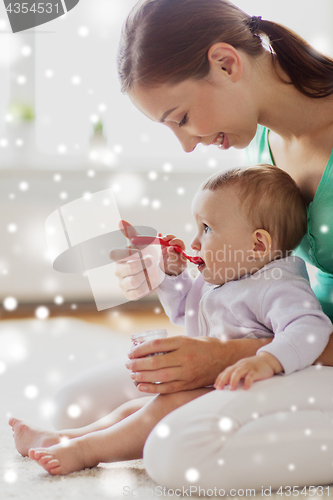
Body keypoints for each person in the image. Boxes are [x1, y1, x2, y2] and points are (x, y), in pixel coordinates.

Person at [49, 0, 333, 490]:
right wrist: (170, 273)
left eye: (180, 117)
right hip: (287, 339)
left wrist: (226, 356)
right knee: (76, 406)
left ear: (227, 63)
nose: (186, 144)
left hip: (306, 346)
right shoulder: (258, 143)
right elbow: (248, 269)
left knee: (179, 453)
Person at [9, 165, 332, 477]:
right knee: (133, 410)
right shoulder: (229, 276)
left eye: (206, 229)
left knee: (158, 411)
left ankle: (86, 452)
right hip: (214, 382)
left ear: (258, 244)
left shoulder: (279, 286)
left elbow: (311, 328)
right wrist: (173, 276)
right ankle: (66, 439)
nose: (194, 242)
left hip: (257, 386)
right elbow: (186, 314)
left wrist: (267, 361)